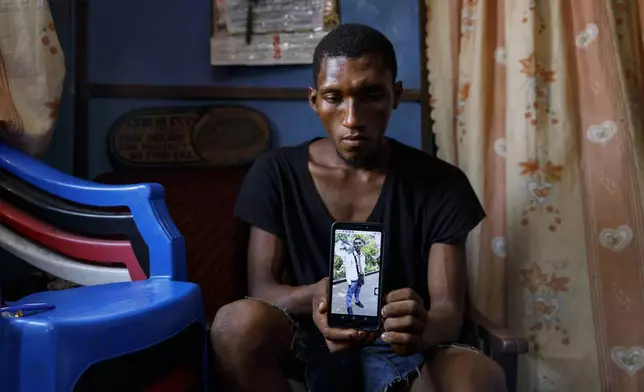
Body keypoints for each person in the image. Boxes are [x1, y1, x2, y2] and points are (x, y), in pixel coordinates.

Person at [211, 23, 507, 392]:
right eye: (334, 97)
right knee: (233, 324)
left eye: (370, 95)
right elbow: (262, 289)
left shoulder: (441, 182)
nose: (352, 119)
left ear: (395, 95)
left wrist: (417, 324)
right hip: (307, 340)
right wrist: (320, 294)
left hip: (404, 348)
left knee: (479, 377)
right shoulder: (277, 172)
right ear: (314, 99)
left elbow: (448, 311)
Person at [342, 237, 366, 315]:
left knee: (358, 292)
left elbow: (363, 266)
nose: (358, 245)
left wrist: (363, 277)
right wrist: (349, 281)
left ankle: (357, 301)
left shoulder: (363, 256)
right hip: (353, 280)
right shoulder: (350, 256)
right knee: (349, 295)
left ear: (361, 244)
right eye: (356, 243)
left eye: (359, 243)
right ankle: (349, 307)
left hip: (360, 278)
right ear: (353, 245)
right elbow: (347, 269)